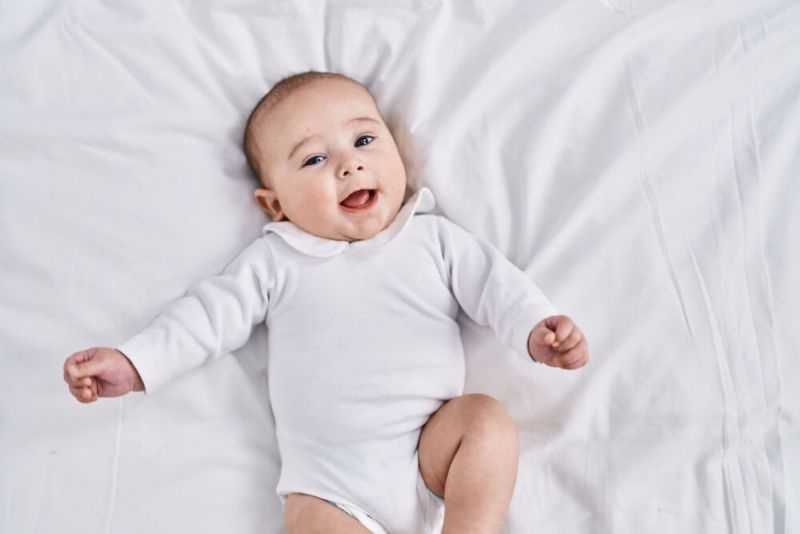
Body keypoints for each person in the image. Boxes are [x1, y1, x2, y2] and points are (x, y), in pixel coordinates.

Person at [63, 71, 589, 534]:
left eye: (364, 139)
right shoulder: (275, 260)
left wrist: (536, 330)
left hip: (430, 452)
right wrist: (135, 362)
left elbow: (497, 286)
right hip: (331, 489)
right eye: (314, 158)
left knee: (487, 421)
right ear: (275, 204)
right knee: (309, 521)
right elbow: (205, 318)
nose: (348, 165)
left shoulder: (434, 240)